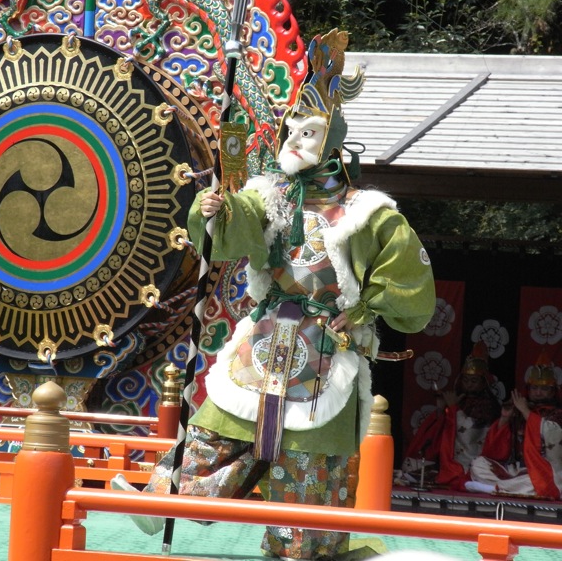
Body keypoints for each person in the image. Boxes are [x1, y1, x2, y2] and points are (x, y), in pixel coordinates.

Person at [112, 29, 436, 560]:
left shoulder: (368, 213)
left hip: (328, 343)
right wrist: (217, 210)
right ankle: (167, 499)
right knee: (217, 424)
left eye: (308, 133)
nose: (294, 141)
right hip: (264, 334)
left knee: (309, 460)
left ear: (333, 143)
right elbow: (238, 227)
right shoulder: (269, 193)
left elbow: (409, 284)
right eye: (291, 130)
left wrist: (363, 308)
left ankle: (305, 548)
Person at [400, 341, 501, 490]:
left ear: (484, 383)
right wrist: (442, 409)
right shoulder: (457, 401)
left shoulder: (491, 406)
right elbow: (440, 437)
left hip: (477, 465)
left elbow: (475, 435)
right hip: (452, 466)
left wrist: (453, 409)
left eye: (474, 381)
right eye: (466, 380)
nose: (469, 384)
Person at [465, 352, 562, 499]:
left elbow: (553, 435)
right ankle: (503, 487)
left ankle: (494, 488)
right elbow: (498, 451)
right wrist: (505, 418)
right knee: (478, 464)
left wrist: (525, 411)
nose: (538, 392)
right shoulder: (518, 412)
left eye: (543, 389)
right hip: (516, 470)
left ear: (553, 391)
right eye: (534, 388)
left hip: (545, 470)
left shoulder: (557, 413)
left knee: (547, 481)